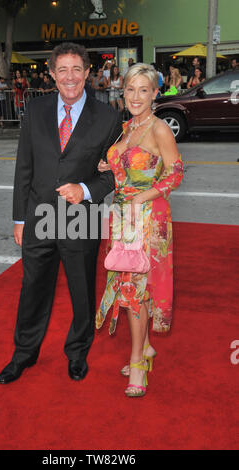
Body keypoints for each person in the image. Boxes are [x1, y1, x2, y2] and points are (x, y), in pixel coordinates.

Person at [0, 42, 122, 385]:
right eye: (62, 70)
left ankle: (77, 353)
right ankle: (23, 354)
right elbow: (25, 166)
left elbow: (115, 172)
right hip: (37, 216)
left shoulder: (109, 116)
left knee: (82, 290)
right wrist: (19, 219)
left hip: (82, 216)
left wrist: (84, 191)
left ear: (87, 74)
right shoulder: (35, 110)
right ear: (52, 74)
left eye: (76, 69)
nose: (70, 77)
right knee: (33, 288)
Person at [96, 63, 183, 397]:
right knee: (128, 282)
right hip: (123, 219)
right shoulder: (127, 128)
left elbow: (175, 173)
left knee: (135, 289)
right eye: (130, 89)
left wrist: (141, 197)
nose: (135, 96)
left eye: (143, 90)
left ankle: (136, 362)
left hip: (147, 218)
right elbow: (128, 165)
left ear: (155, 94)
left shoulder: (160, 128)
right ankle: (145, 347)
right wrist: (110, 165)